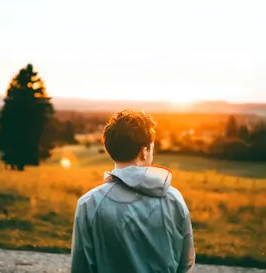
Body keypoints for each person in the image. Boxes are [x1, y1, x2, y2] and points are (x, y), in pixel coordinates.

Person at [71, 109, 195, 273]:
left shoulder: (88, 204)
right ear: (144, 152)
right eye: (152, 147)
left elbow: (81, 268)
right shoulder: (174, 199)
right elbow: (186, 264)